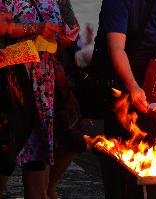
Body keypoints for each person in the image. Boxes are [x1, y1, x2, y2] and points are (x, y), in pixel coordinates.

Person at [89, 0, 156, 198]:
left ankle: (139, 191)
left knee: (146, 143)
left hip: (150, 74)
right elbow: (116, 48)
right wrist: (132, 86)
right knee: (118, 149)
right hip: (117, 79)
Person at [0, 1, 82, 198]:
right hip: (11, 81)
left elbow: (70, 25)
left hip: (45, 82)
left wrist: (64, 36)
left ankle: (43, 192)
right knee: (6, 149)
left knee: (39, 150)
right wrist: (35, 29)